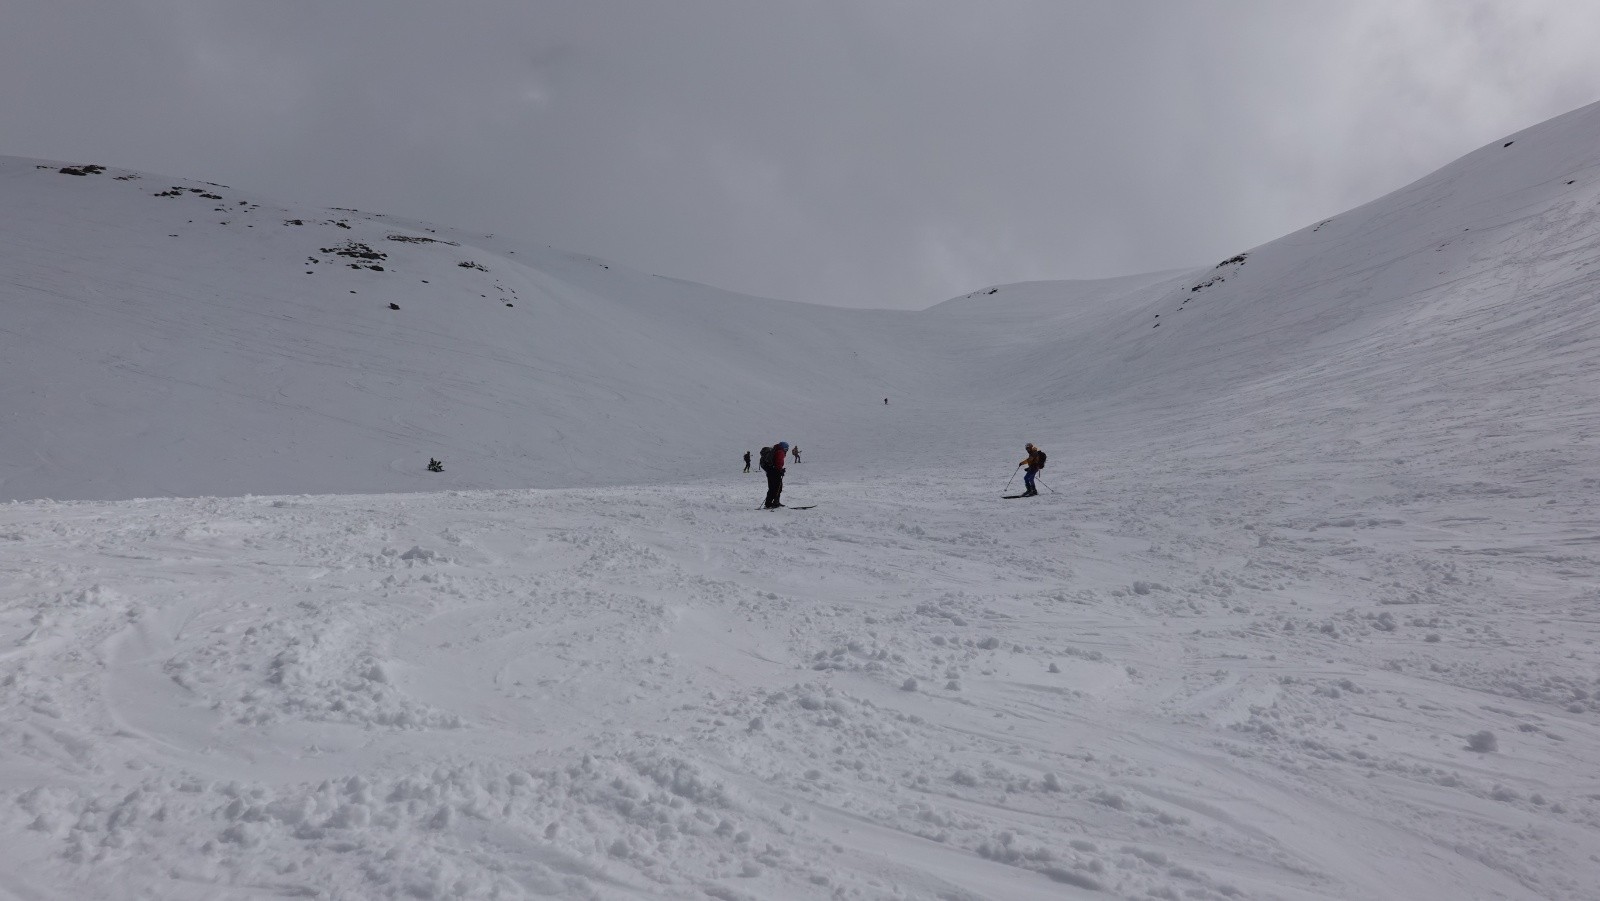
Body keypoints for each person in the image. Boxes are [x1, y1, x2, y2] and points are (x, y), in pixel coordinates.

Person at [760, 441, 789, 508]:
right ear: (784, 448)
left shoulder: (775, 449)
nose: (787, 450)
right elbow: (779, 462)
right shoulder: (780, 452)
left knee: (772, 487)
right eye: (786, 449)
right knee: (778, 487)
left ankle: (769, 503)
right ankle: (773, 503)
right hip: (775, 472)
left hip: (770, 471)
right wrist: (780, 470)